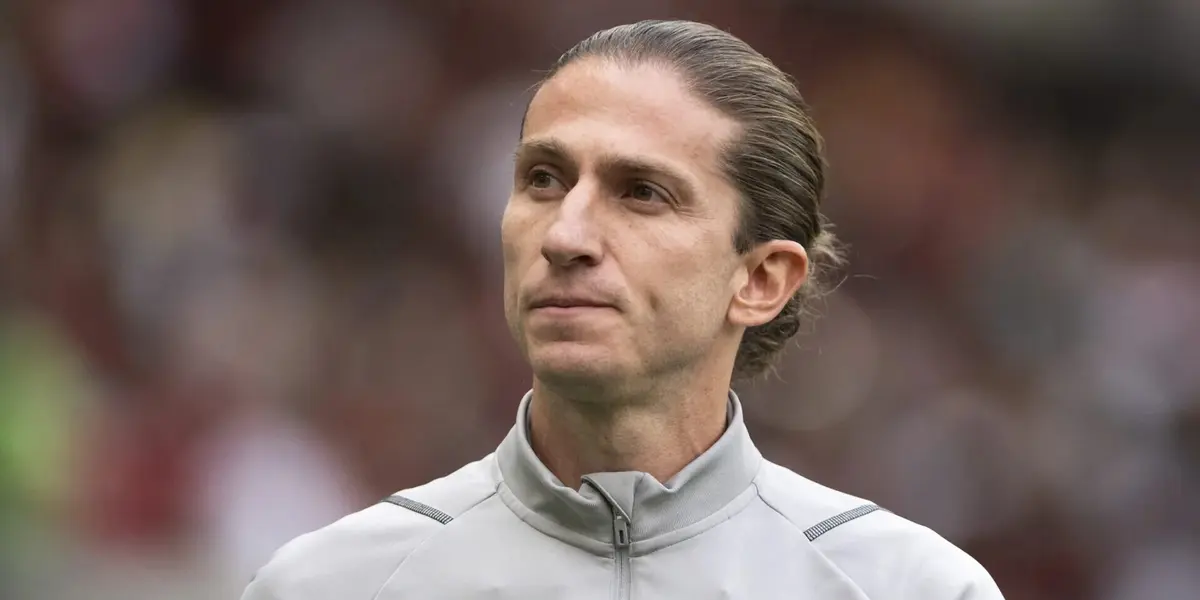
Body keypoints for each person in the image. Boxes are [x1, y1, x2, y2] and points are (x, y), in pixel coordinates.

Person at [242, 19, 1004, 599]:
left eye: (642, 192)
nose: (566, 234)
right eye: (543, 179)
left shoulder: (909, 587)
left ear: (763, 279)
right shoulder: (332, 585)